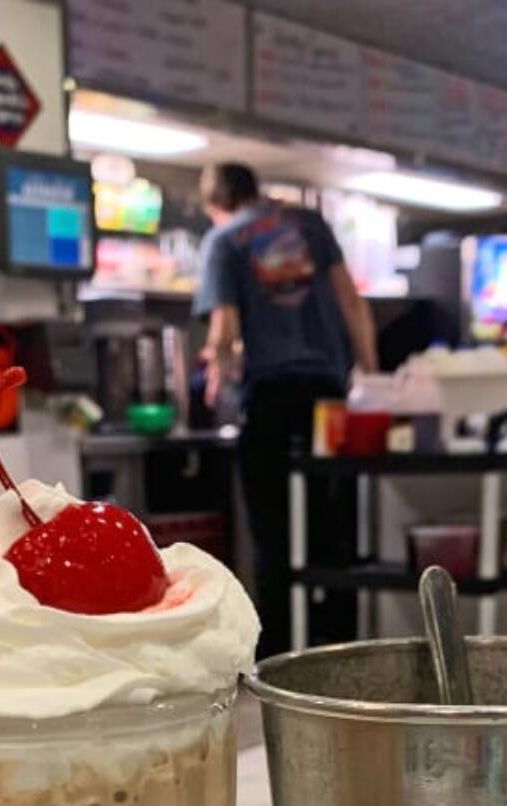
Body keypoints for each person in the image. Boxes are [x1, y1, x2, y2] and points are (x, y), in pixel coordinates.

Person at [195, 162, 376, 655]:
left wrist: (217, 371)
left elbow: (225, 330)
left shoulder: (223, 241)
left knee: (273, 534)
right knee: (334, 526)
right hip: (329, 397)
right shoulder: (310, 225)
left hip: (272, 400)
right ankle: (342, 649)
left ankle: (280, 657)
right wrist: (371, 374)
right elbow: (352, 303)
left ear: (217, 205)